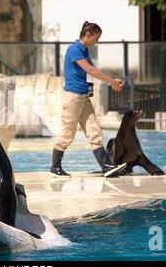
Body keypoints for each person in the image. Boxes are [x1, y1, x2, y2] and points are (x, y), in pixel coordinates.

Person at [50, 21, 127, 178]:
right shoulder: (74, 49)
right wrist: (111, 82)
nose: (96, 41)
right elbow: (90, 70)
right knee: (68, 134)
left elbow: (94, 69)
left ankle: (107, 166)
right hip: (72, 98)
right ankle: (55, 167)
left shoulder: (83, 50)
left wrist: (113, 79)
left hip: (83, 97)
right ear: (88, 35)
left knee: (94, 131)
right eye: (96, 38)